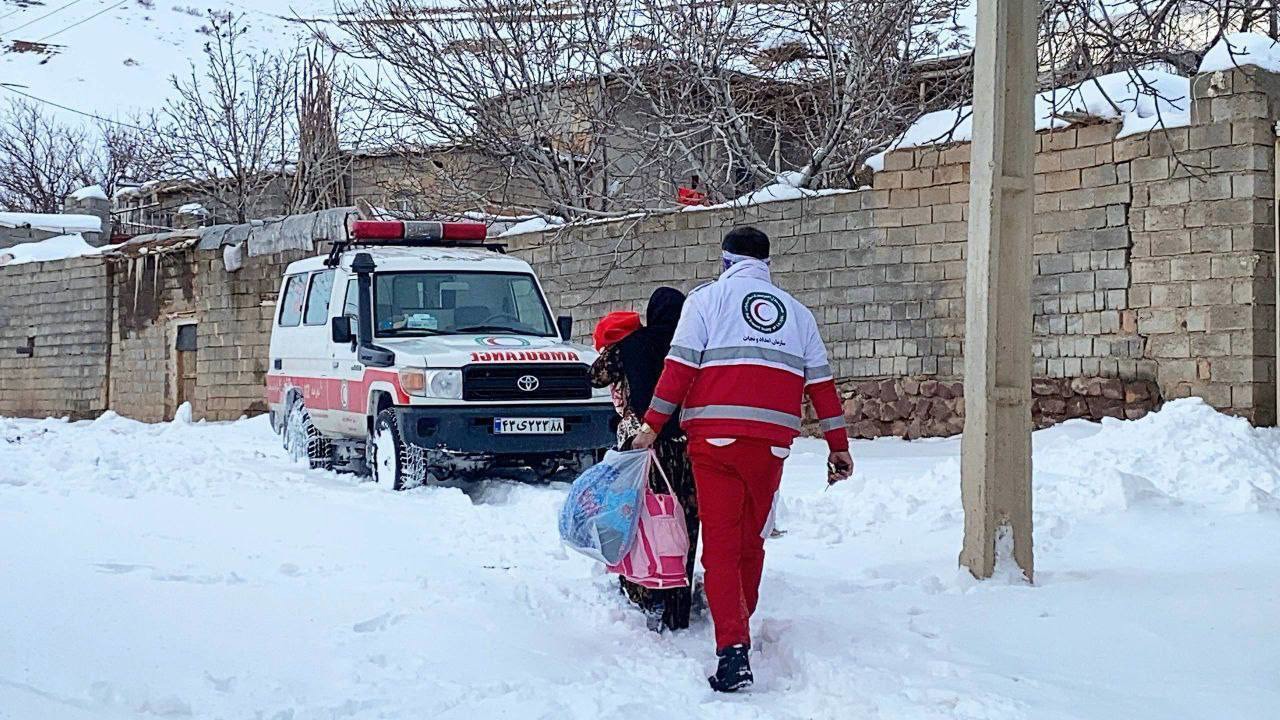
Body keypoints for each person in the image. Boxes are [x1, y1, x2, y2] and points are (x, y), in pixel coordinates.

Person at [633, 226, 853, 692]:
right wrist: (838, 447)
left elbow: (680, 367)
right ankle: (740, 625)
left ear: (726, 260)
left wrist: (652, 424)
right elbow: (823, 388)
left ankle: (732, 649)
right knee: (751, 541)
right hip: (771, 444)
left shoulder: (706, 300)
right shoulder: (798, 313)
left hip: (713, 442)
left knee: (721, 546)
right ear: (767, 263)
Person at [590, 288, 701, 633]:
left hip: (644, 443)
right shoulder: (695, 347)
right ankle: (678, 603)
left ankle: (643, 587)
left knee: (641, 516)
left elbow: (595, 375)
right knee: (683, 520)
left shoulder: (633, 343)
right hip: (688, 447)